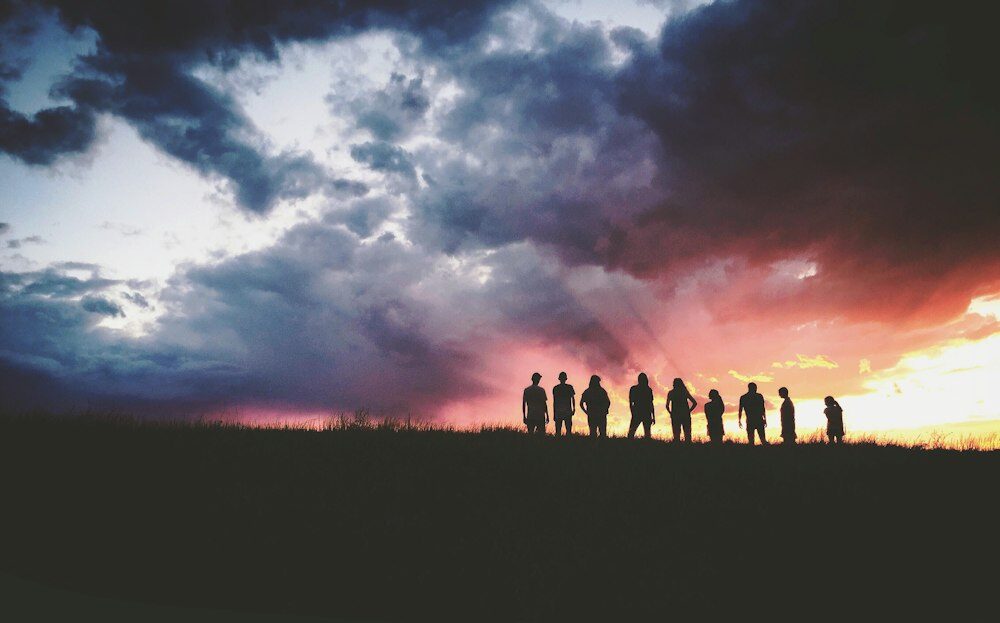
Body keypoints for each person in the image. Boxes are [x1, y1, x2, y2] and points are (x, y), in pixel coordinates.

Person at [666, 377, 697, 442]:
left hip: (675, 415)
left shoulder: (671, 393)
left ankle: (677, 449)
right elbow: (694, 403)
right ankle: (688, 450)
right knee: (687, 435)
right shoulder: (684, 392)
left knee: (676, 435)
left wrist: (671, 413)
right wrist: (689, 411)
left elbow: (667, 406)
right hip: (685, 415)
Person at [580, 375, 611, 439]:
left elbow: (608, 402)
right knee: (598, 433)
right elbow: (608, 402)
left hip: (596, 414)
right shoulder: (601, 391)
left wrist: (586, 412)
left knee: (596, 434)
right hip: (596, 414)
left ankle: (597, 447)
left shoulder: (589, 391)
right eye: (597, 382)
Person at [628, 373, 655, 439]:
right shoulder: (647, 390)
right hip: (643, 412)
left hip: (641, 412)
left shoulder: (646, 389)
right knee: (634, 432)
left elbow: (651, 403)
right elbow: (651, 404)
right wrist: (653, 416)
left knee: (633, 433)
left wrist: (653, 416)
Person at [552, 371, 576, 436]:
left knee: (558, 431)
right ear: (566, 379)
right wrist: (573, 409)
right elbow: (573, 399)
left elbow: (555, 401)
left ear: (559, 379)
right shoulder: (569, 387)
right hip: (567, 411)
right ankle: (568, 444)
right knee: (568, 430)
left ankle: (558, 444)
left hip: (558, 411)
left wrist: (554, 413)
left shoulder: (556, 388)